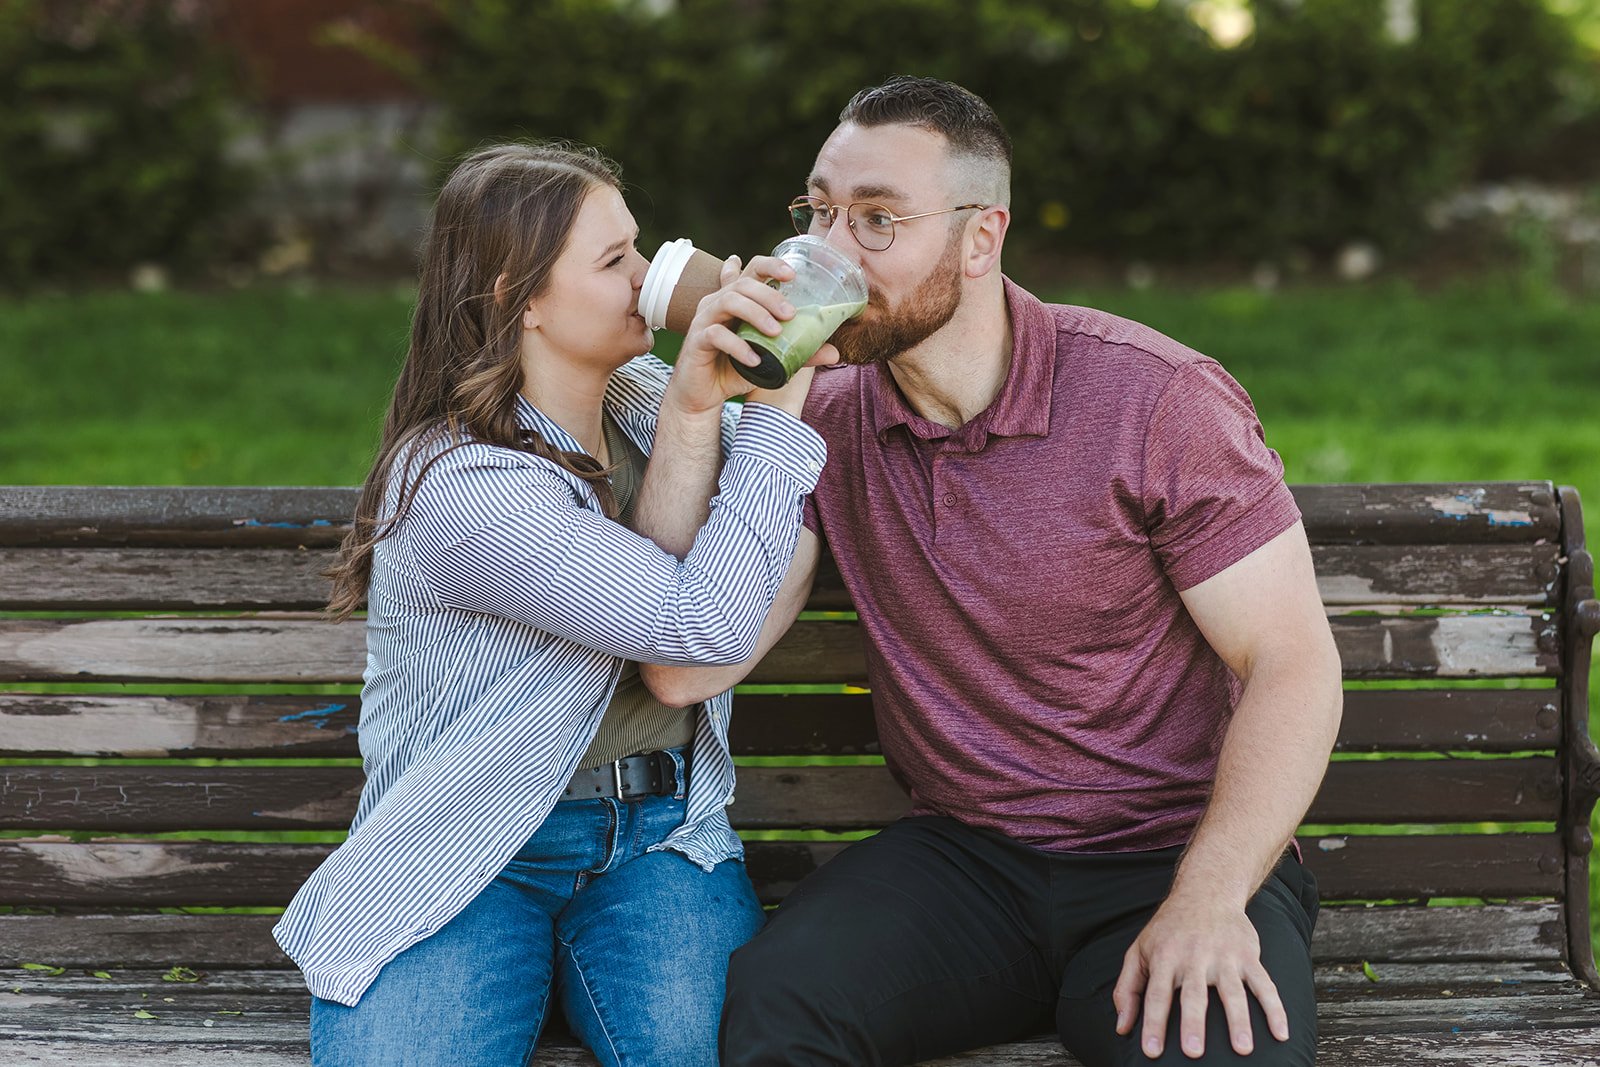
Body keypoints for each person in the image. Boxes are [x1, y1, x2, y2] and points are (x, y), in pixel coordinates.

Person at [644, 77, 1343, 1066]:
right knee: (776, 1006)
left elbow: (1290, 661)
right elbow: (684, 664)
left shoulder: (1152, 400)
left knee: (1223, 1049)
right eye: (819, 211)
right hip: (969, 863)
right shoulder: (822, 416)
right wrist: (693, 410)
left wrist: (1209, 896)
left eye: (878, 220)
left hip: (1170, 852)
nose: (830, 250)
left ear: (980, 239)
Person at [272, 141, 834, 1067]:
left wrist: (719, 400)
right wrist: (770, 417)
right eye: (614, 263)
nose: (648, 278)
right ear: (516, 299)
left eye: (639, 248)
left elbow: (780, 546)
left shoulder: (651, 398)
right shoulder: (462, 485)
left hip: (663, 841)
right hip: (465, 851)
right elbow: (699, 611)